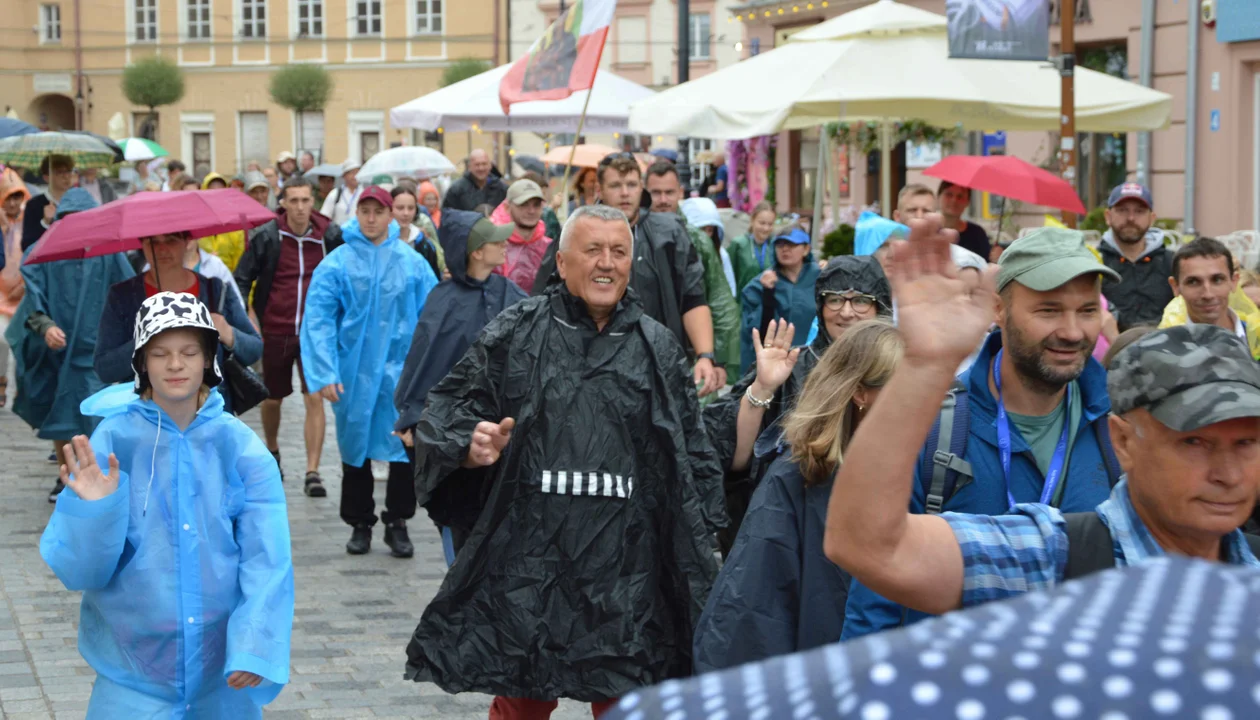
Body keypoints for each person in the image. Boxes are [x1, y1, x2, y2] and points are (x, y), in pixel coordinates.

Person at [823, 228, 1260, 620]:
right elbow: (869, 560)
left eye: (1246, 443)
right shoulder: (1057, 552)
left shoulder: (1116, 410)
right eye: (1194, 443)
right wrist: (925, 366)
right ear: (999, 309)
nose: (1072, 332)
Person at [403, 204, 727, 717]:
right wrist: (470, 443)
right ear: (562, 260)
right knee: (522, 699)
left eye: (618, 252)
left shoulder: (658, 346)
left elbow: (691, 457)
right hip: (531, 559)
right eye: (592, 249)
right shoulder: (517, 331)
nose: (607, 263)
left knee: (626, 695)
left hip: (625, 566)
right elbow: (446, 409)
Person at [839, 226, 1125, 640]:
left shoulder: (1122, 431)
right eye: (1048, 310)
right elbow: (873, 600)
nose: (1073, 331)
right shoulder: (934, 428)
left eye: (1086, 310)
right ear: (998, 309)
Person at [41, 292, 293, 717]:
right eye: (160, 354)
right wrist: (93, 513)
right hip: (131, 676)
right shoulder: (112, 442)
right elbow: (79, 571)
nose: (175, 365)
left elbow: (267, 557)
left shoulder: (241, 448)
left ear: (208, 359)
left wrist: (254, 643)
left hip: (221, 675)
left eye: (189, 352)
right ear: (141, 363)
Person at [694, 320, 901, 672]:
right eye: (906, 388)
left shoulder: (930, 470)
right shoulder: (798, 478)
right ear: (861, 394)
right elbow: (747, 620)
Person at [707, 256, 891, 552]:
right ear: (820, 306)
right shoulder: (791, 365)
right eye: (834, 300)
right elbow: (738, 461)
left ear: (878, 306)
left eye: (860, 300)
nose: (846, 312)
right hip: (794, 535)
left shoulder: (897, 370)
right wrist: (763, 387)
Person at [300, 186, 439, 557]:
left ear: (391, 214)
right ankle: (359, 522)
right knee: (355, 445)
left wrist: (429, 374)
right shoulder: (337, 264)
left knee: (404, 444)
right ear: (356, 213)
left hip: (402, 374)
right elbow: (318, 320)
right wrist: (324, 371)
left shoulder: (412, 264)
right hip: (354, 372)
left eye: (379, 211)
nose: (372, 218)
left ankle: (398, 521)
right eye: (366, 210)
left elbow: (434, 317)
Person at [532, 153, 722, 397]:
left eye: (631, 185)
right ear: (600, 188)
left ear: (641, 187)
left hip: (658, 365)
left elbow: (693, 298)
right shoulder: (575, 233)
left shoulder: (670, 233)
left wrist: (706, 356)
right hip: (588, 371)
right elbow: (543, 301)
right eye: (615, 185)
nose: (625, 193)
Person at [394, 210, 524, 558]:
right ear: (477, 252)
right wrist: (412, 415)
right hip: (456, 431)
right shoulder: (444, 300)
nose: (504, 244)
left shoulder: (510, 292)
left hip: (502, 427)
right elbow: (423, 360)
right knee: (462, 520)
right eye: (495, 240)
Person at [6, 189, 134, 501]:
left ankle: (95, 473)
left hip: (93, 352)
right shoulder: (41, 251)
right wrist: (45, 326)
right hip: (55, 353)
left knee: (93, 417)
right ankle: (65, 474)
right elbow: (31, 305)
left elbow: (129, 295)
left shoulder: (109, 252)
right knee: (59, 414)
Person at [234, 176, 342, 494]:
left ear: (314, 202)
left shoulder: (330, 235)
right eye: (292, 200)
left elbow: (345, 275)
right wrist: (248, 318)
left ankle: (313, 471)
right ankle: (272, 449)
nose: (299, 207)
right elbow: (241, 278)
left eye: (305, 200)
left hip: (315, 332)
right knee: (272, 398)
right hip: (276, 327)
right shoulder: (267, 235)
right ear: (283, 203)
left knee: (315, 397)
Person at [96, 231, 262, 416]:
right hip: (144, 421)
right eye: (152, 242)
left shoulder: (215, 291)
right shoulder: (123, 297)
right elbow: (105, 368)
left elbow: (254, 350)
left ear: (187, 242)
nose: (162, 249)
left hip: (210, 418)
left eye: (171, 241)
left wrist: (229, 333)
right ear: (142, 246)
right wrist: (143, 341)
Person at [1157, 236, 1260, 359]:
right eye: (1193, 282)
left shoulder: (1256, 338)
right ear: (1175, 286)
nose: (1208, 294)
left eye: (1217, 280)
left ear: (1234, 281)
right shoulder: (1160, 350)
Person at [738, 228, 819, 375]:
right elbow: (751, 333)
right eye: (780, 245)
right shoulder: (758, 285)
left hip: (814, 361)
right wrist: (768, 294)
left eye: (792, 245)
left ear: (806, 249)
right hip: (774, 363)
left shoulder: (821, 277)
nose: (785, 249)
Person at [1097, 182, 1173, 331]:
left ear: (1152, 218)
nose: (1131, 218)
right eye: (1122, 210)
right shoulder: (1095, 262)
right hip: (1110, 350)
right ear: (1108, 216)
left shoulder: (1172, 263)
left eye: (1139, 211)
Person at [681, 197, 740, 367]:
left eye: (709, 230)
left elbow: (726, 297)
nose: (705, 236)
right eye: (701, 229)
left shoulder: (721, 256)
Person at [487, 179, 553, 293]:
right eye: (523, 204)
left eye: (536, 205)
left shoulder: (550, 247)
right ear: (507, 207)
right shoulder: (493, 245)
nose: (531, 211)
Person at [0, 168, 29, 407]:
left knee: (20, 343)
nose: (13, 203)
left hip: (21, 293)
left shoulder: (28, 222)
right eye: (9, 197)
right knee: (1, 341)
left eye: (17, 197)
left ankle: (19, 390)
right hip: (0, 295)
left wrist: (24, 285)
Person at [22, 154, 75, 251]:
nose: (66, 176)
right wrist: (45, 222)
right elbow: (26, 245)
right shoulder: (34, 205)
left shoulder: (78, 201)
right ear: (46, 177)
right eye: (60, 172)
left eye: (69, 171)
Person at [196, 172, 248, 271]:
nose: (216, 196)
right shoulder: (196, 224)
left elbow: (240, 262)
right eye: (211, 191)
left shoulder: (235, 226)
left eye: (220, 191)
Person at [390, 184, 445, 278]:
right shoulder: (380, 241)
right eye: (400, 208)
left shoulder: (423, 243)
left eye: (411, 208)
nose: (406, 213)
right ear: (389, 209)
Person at [728, 202, 776, 294]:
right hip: (744, 304)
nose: (766, 228)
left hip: (769, 303)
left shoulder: (775, 245)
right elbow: (728, 277)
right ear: (752, 220)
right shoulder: (739, 244)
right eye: (762, 223)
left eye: (770, 224)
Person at [937, 180, 991, 259]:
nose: (954, 200)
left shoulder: (977, 234)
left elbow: (985, 264)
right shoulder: (929, 231)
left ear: (968, 202)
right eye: (949, 195)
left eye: (960, 196)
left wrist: (996, 258)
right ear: (938, 197)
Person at [442, 149, 509, 212]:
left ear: (490, 166)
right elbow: (447, 215)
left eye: (484, 164)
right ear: (469, 167)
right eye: (477, 165)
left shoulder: (501, 188)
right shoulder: (457, 189)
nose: (481, 168)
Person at [320, 160, 363, 227]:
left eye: (357, 172)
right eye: (352, 173)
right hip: (339, 235)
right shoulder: (335, 194)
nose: (355, 176)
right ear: (344, 176)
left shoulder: (364, 193)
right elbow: (324, 217)